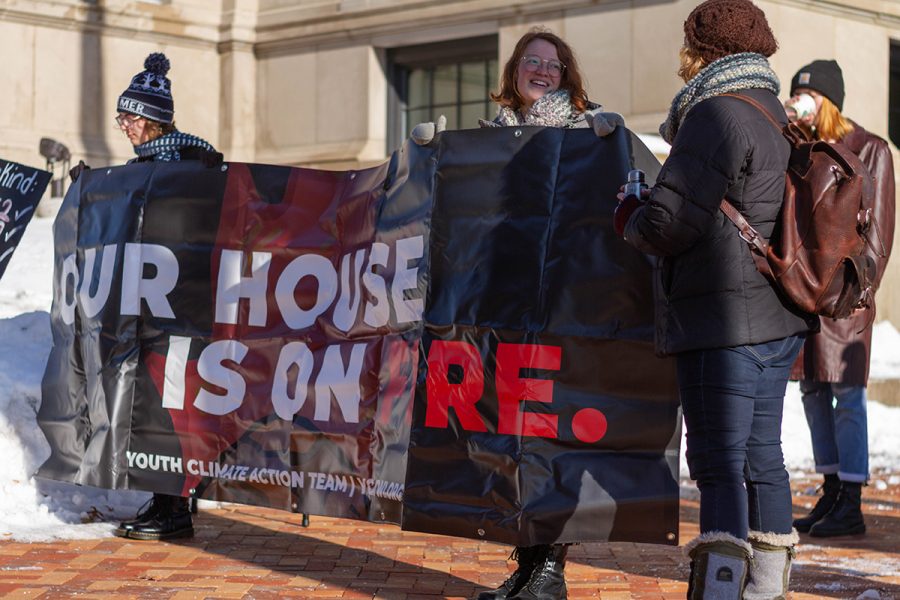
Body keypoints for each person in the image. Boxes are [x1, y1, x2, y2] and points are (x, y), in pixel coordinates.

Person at [413, 28, 623, 600]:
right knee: (511, 440)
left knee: (550, 437)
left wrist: (611, 140)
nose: (542, 71)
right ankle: (528, 565)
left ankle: (551, 569)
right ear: (513, 71)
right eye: (531, 61)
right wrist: (430, 158)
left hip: (561, 310)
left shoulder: (588, 130)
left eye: (553, 65)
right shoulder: (488, 139)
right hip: (499, 311)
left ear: (567, 75)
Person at [612, 1, 814, 598]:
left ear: (702, 48)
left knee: (719, 463)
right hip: (776, 317)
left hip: (721, 321)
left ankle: (720, 592)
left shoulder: (715, 114)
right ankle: (768, 588)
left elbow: (668, 225)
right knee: (762, 457)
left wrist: (629, 211)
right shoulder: (774, 112)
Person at [71, 52, 222, 541]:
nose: (124, 125)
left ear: (154, 120)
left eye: (130, 116)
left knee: (170, 408)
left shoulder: (187, 166)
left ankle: (173, 511)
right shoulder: (154, 165)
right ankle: (168, 503)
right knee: (160, 405)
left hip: (183, 306)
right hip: (160, 304)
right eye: (122, 116)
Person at [786, 59, 895, 538]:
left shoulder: (870, 148)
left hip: (845, 295)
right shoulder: (799, 145)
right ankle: (832, 490)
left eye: (808, 95)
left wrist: (856, 291)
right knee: (812, 390)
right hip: (803, 291)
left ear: (828, 99)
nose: (801, 104)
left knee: (847, 395)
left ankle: (851, 499)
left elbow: (880, 232)